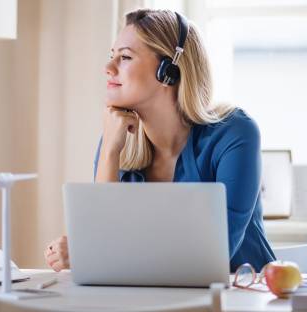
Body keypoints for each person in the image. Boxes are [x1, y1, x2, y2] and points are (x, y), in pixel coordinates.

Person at [44, 8, 275, 273]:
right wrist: (109, 152)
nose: (108, 68)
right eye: (112, 56)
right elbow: (99, 252)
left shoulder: (235, 134)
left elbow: (214, 254)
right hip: (153, 298)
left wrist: (93, 250)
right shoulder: (117, 140)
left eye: (125, 57)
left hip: (239, 298)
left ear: (169, 71)